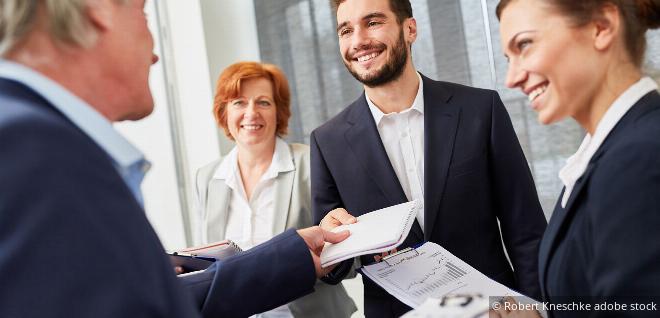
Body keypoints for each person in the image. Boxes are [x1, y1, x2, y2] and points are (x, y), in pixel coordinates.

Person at [0, 0, 349, 317]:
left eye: (263, 102)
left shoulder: (34, 142)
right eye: (144, 14)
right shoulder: (30, 148)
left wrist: (292, 255)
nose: (155, 53)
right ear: (100, 8)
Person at [311, 0, 548, 316]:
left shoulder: (481, 110)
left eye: (373, 22)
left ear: (410, 29)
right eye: (346, 30)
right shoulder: (327, 141)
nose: (358, 41)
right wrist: (330, 244)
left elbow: (527, 231)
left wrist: (537, 307)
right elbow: (333, 268)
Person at [493, 0, 660, 317]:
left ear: (601, 27)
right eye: (507, 58)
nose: (511, 79)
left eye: (525, 44)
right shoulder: (612, 152)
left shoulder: (637, 161)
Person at [193, 61, 356, 318]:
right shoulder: (207, 177)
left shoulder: (311, 162)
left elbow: (350, 254)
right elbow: (208, 265)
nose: (251, 113)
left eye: (263, 102)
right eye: (239, 102)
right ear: (223, 112)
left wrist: (329, 257)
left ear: (279, 112)